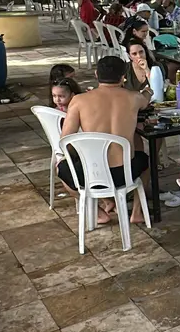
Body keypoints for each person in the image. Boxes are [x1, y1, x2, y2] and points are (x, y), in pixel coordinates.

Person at [58, 57, 151, 224]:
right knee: (145, 160)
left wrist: (78, 156)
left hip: (90, 174)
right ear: (123, 77)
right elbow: (146, 99)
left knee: (61, 167)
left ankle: (99, 211)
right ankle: (137, 212)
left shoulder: (79, 101)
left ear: (96, 74)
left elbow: (66, 140)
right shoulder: (134, 98)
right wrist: (148, 91)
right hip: (124, 174)